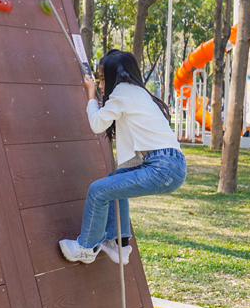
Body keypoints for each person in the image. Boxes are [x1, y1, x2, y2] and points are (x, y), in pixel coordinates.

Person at [59, 50, 187, 265]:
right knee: (113, 181)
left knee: (98, 190)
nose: (100, 84)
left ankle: (86, 248)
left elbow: (97, 124)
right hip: (168, 163)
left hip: (163, 166)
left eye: (102, 78)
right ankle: (118, 243)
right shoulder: (137, 92)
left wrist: (91, 95)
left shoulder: (122, 92)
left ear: (114, 75)